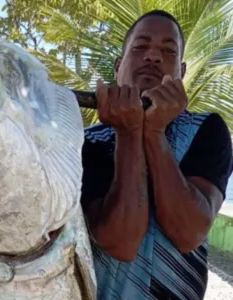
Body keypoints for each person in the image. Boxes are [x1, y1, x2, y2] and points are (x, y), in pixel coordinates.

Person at [81, 10, 233, 300]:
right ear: (118, 66)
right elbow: (120, 243)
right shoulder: (87, 143)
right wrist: (128, 133)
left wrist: (152, 133)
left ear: (182, 72)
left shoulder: (207, 129)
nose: (152, 57)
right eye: (140, 47)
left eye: (168, 50)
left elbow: (189, 233)